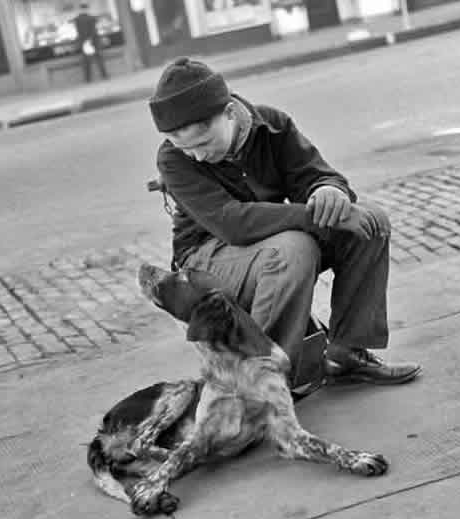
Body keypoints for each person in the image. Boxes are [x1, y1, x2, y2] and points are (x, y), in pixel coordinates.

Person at [147, 57, 421, 386]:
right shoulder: (172, 158)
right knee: (294, 249)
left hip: (268, 243)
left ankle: (347, 352)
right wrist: (315, 215)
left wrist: (328, 192)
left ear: (230, 113)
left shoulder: (273, 125)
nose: (198, 156)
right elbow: (233, 223)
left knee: (371, 221)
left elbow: (317, 175)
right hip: (205, 258)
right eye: (185, 147)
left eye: (204, 143)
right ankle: (260, 386)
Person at [72, 2, 108, 83]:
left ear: (80, 9)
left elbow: (78, 32)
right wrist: (91, 40)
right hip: (93, 41)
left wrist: (83, 41)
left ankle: (88, 79)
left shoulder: (77, 19)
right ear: (87, 9)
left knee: (86, 61)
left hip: (84, 42)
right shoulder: (91, 18)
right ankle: (104, 75)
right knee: (99, 59)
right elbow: (93, 31)